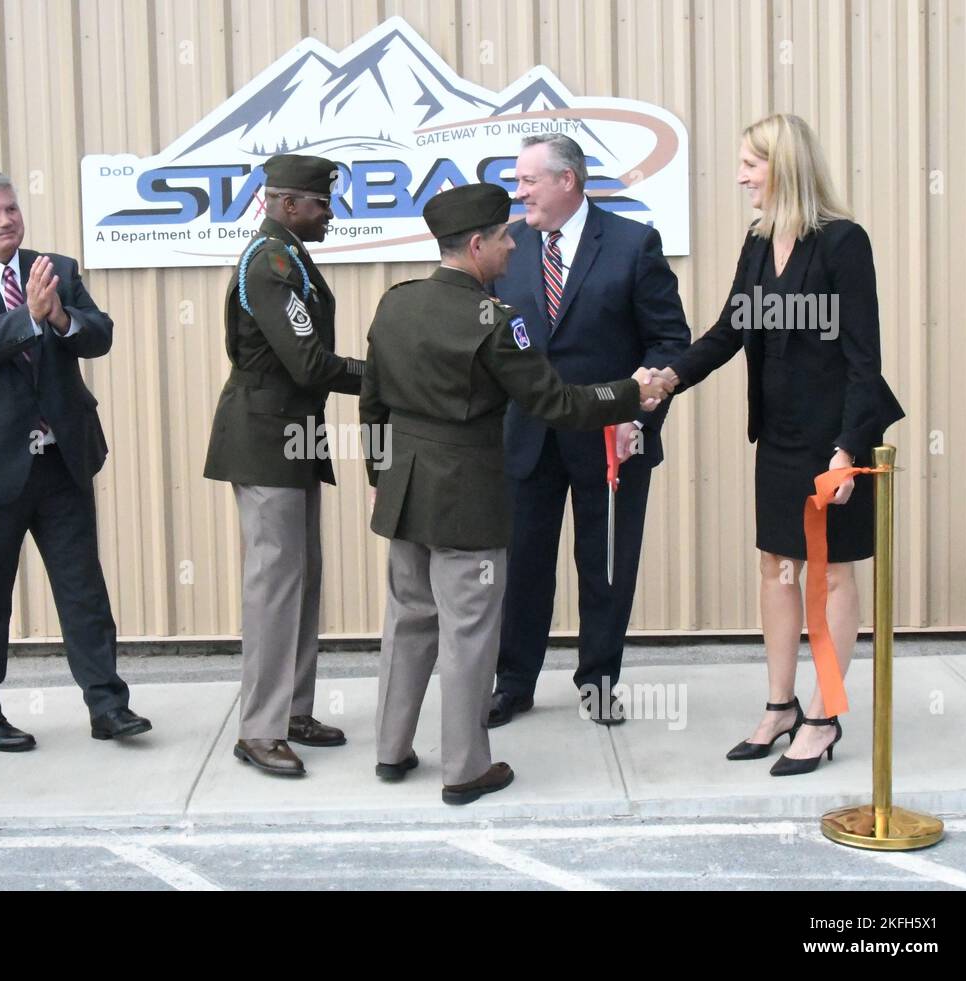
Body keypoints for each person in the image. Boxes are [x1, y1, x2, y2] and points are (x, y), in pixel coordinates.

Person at [360, 183, 669, 805]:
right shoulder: (497, 323)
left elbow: (373, 400)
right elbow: (555, 402)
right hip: (468, 497)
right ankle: (466, 768)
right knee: (470, 632)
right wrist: (633, 394)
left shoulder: (395, 304)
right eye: (502, 237)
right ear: (475, 246)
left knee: (408, 623)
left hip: (405, 492)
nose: (512, 244)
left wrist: (382, 475)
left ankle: (391, 750)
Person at [659, 113, 904, 775]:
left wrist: (848, 450)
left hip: (834, 439)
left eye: (750, 163)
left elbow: (864, 359)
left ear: (784, 166)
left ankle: (824, 715)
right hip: (781, 436)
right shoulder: (758, 241)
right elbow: (729, 330)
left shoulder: (843, 244)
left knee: (829, 573)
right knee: (777, 566)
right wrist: (668, 378)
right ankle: (779, 705)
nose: (740, 176)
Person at [0, 168, 149, 752]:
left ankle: (108, 706)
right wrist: (28, 318)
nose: (6, 221)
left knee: (83, 590)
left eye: (12, 209)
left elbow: (99, 335)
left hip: (60, 462)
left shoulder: (58, 270)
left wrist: (61, 316)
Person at [488, 134, 692, 728]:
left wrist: (639, 411)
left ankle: (599, 683)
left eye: (527, 180)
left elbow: (669, 342)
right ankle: (514, 683)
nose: (518, 190)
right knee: (523, 564)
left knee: (605, 564)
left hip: (611, 439)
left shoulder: (633, 243)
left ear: (567, 181)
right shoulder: (510, 247)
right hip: (526, 438)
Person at [204, 154, 365, 777]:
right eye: (321, 204)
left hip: (293, 437)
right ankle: (260, 729)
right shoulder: (269, 262)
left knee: (302, 578)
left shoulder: (289, 256)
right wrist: (391, 377)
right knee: (274, 586)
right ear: (287, 204)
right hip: (264, 438)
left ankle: (294, 710)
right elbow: (309, 363)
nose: (329, 214)